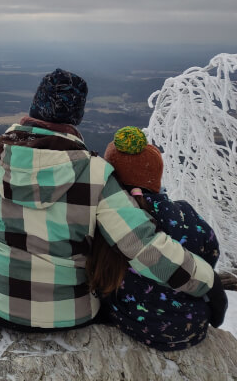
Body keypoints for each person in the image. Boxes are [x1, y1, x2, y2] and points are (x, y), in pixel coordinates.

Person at [0, 68, 224, 331]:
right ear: (76, 117)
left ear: (34, 106)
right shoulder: (95, 173)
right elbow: (144, 247)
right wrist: (208, 282)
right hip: (69, 315)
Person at [86, 126, 227, 350]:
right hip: (192, 323)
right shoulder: (184, 213)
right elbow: (211, 251)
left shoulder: (106, 221)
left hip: (131, 320)